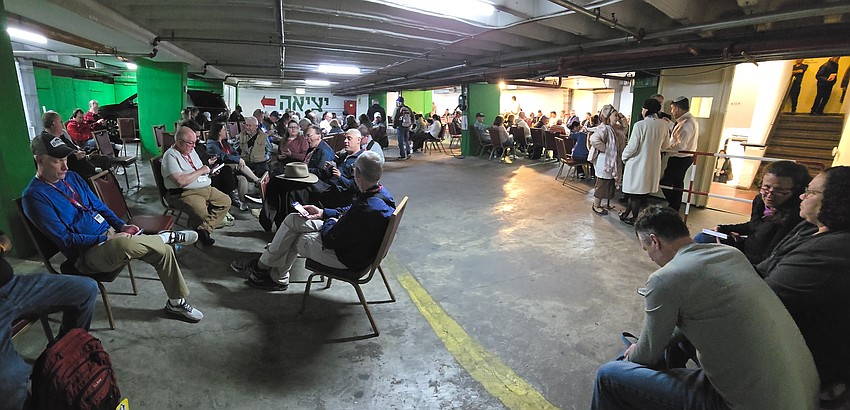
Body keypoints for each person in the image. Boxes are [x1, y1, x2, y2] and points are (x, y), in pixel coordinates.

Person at [592, 206, 819, 410]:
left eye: (646, 249)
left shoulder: (665, 279)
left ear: (655, 241)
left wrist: (633, 354)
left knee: (609, 375)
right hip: (801, 393)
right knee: (677, 339)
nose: (650, 257)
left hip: (746, 403)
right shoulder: (729, 254)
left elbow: (647, 354)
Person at [22, 133, 205, 323]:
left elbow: (99, 206)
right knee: (124, 245)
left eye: (65, 159)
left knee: (163, 251)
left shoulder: (73, 177)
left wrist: (121, 225)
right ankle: (164, 237)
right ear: (40, 160)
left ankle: (176, 303)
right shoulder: (34, 197)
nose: (65, 166)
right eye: (57, 161)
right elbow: (67, 239)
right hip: (87, 253)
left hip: (110, 235)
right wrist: (106, 239)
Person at [231, 151, 394, 291]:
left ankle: (271, 274)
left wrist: (330, 219)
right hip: (353, 245)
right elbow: (349, 210)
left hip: (346, 258)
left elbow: (330, 239)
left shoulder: (367, 208)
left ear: (357, 173)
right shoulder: (381, 195)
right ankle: (266, 268)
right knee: (293, 220)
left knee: (294, 236)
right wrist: (323, 212)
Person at [756, 166, 850, 386]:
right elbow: (763, 267)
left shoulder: (829, 252)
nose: (802, 196)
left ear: (836, 201)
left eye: (812, 192)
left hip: (791, 361)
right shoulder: (810, 228)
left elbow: (763, 300)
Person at [0, 229, 99, 410]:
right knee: (10, 378)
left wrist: (2, 245)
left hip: (12, 286)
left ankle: (62, 357)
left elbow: (4, 238)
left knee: (87, 289)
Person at [695, 161, 810, 265]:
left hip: (755, 261)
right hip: (745, 246)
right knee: (702, 237)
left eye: (779, 191)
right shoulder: (760, 200)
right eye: (766, 188)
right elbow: (754, 225)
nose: (769, 195)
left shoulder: (793, 217)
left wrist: (728, 253)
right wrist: (722, 228)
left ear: (795, 191)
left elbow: (769, 259)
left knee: (704, 253)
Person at [162, 126, 232, 246]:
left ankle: (203, 229)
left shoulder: (190, 150)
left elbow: (198, 170)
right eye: (190, 143)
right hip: (183, 192)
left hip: (204, 187)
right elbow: (180, 181)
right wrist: (201, 171)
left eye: (195, 142)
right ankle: (196, 234)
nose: (194, 146)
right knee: (201, 213)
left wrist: (210, 173)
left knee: (226, 201)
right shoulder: (170, 156)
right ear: (179, 142)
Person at [620, 98, 671, 224]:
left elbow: (632, 146)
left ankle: (635, 218)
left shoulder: (640, 125)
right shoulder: (664, 125)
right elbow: (665, 146)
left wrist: (624, 156)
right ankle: (627, 214)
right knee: (637, 193)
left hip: (637, 163)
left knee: (634, 192)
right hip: (652, 163)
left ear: (646, 110)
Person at [206, 121, 262, 211]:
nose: (226, 131)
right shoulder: (211, 144)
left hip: (232, 165)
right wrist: (238, 160)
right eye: (224, 129)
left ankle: (243, 203)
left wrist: (238, 159)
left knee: (242, 179)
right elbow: (223, 156)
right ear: (219, 132)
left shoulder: (224, 143)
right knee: (238, 165)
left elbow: (235, 153)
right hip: (222, 167)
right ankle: (257, 181)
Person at [660, 96, 699, 212]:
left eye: (672, 109)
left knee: (665, 182)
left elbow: (681, 145)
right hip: (685, 157)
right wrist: (671, 124)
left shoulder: (686, 124)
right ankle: (674, 207)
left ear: (677, 108)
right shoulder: (688, 120)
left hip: (680, 158)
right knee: (677, 183)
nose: (671, 111)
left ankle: (673, 206)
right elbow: (679, 133)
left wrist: (665, 149)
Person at [588, 106, 622, 215]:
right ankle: (596, 205)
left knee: (609, 183)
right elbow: (593, 139)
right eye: (615, 115)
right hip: (604, 160)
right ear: (607, 116)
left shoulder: (611, 127)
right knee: (602, 184)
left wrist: (621, 118)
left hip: (609, 159)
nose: (617, 118)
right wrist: (606, 149)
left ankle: (605, 204)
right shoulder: (604, 128)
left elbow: (624, 128)